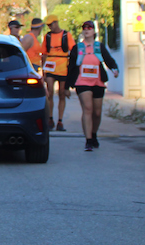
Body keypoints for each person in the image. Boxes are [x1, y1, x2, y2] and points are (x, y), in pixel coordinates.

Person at [66, 20, 119, 151]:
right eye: (84, 28)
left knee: (97, 112)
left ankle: (94, 134)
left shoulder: (99, 46)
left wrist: (114, 69)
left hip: (98, 82)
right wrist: (66, 86)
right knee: (87, 109)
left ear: (94, 31)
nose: (86, 30)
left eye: (89, 28)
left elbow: (108, 59)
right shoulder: (78, 47)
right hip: (82, 82)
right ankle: (88, 140)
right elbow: (71, 66)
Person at [41, 15, 75, 131]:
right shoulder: (47, 36)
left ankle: (60, 121)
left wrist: (72, 70)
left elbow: (73, 51)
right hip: (50, 68)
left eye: (51, 24)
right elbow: (44, 54)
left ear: (56, 22)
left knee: (62, 94)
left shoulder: (66, 35)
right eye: (48, 25)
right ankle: (50, 118)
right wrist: (43, 72)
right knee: (50, 92)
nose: (50, 27)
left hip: (63, 68)